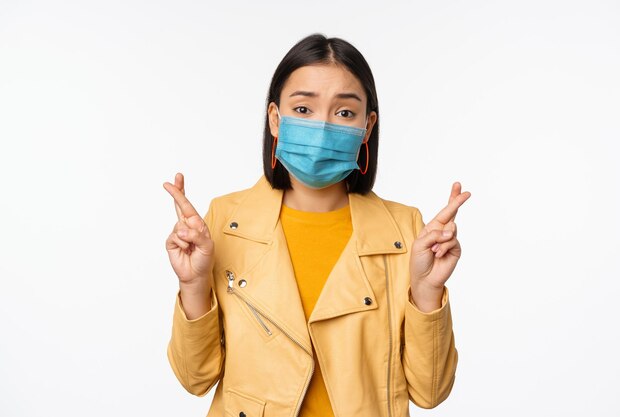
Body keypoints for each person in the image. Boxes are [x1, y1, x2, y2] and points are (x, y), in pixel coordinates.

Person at [163, 33, 471, 417]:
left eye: (344, 113)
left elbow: (430, 392)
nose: (323, 128)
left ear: (367, 126)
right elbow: (195, 379)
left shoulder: (406, 230)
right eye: (304, 109)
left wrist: (427, 293)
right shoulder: (224, 222)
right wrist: (192, 286)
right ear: (275, 119)